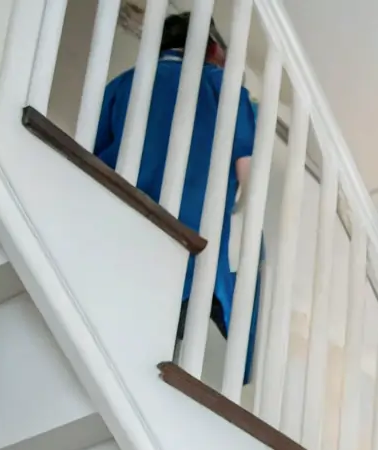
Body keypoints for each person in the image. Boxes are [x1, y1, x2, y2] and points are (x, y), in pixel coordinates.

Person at [94, 13, 260, 381]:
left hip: (119, 231)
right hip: (187, 247)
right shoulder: (223, 86)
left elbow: (89, 160)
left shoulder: (124, 84)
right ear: (213, 49)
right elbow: (248, 175)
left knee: (113, 325)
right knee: (156, 351)